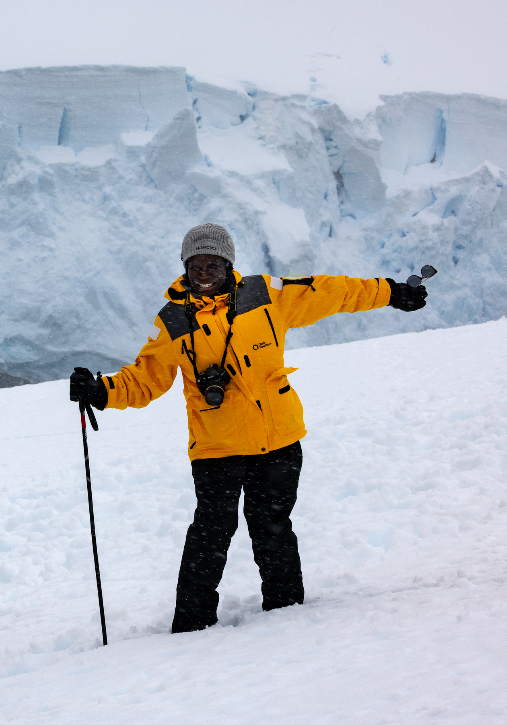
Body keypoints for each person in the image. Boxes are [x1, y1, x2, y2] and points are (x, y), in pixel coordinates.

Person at [69, 224, 428, 633]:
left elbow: (330, 292)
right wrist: (102, 390)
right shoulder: (171, 320)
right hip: (217, 448)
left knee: (273, 527)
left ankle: (287, 612)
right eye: (196, 265)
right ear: (185, 267)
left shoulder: (266, 294)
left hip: (277, 440)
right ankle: (191, 624)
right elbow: (145, 378)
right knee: (210, 534)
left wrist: (390, 292)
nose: (205, 272)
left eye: (213, 263)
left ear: (228, 263)